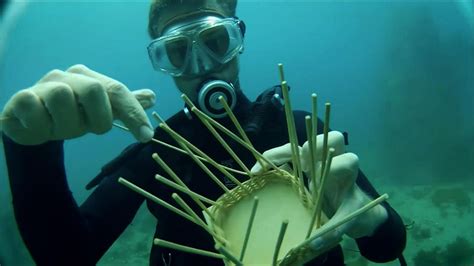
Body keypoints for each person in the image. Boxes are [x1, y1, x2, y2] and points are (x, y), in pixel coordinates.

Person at [1, 0, 406, 265]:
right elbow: (66, 257)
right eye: (178, 51)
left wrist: (371, 220)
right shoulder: (157, 151)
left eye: (215, 41)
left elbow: (388, 247)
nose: (201, 64)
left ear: (238, 40)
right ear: (165, 61)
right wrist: (31, 151)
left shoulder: (301, 129)